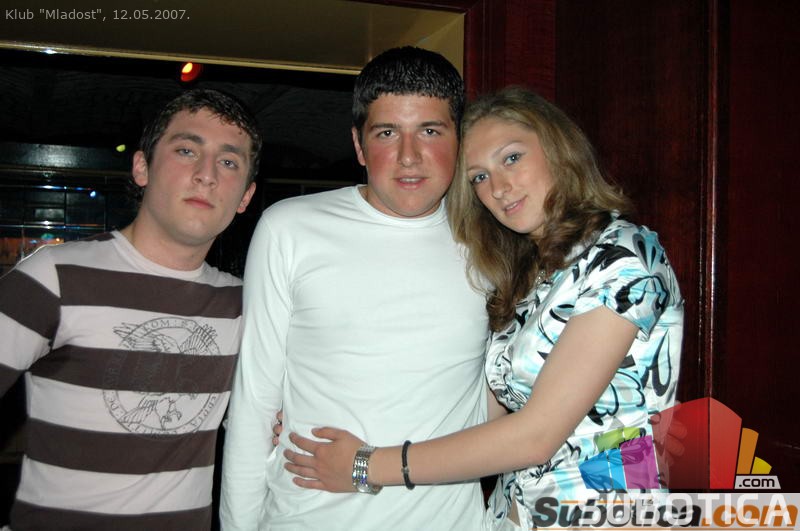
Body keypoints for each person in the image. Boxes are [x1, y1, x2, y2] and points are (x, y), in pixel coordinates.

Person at [283, 87, 685, 530]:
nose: (498, 187)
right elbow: (477, 412)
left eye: (512, 158)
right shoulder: (528, 275)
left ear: (557, 149)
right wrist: (318, 410)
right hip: (512, 515)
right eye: (478, 177)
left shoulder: (623, 256)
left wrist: (366, 465)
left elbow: (535, 436)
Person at [220, 47, 490, 530]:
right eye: (387, 133)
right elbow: (254, 400)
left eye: (430, 131)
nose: (409, 156)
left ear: (460, 139)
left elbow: (511, 399)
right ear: (359, 145)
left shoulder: (494, 243)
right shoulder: (290, 228)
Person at [0, 88, 260, 530]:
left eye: (229, 162)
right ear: (142, 167)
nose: (207, 175)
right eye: (186, 150)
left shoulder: (246, 306)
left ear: (245, 197)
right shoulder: (55, 276)